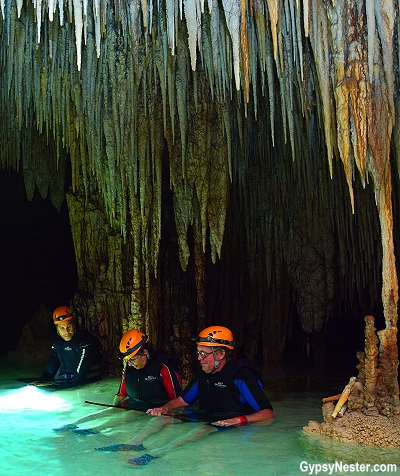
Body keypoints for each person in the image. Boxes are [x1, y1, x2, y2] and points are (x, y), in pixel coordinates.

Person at [124, 325, 274, 465]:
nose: (199, 358)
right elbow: (183, 400)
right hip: (205, 415)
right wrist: (164, 408)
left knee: (201, 430)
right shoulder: (204, 374)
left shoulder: (241, 376)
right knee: (164, 417)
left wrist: (239, 420)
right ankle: (133, 443)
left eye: (203, 353)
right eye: (198, 352)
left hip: (226, 421)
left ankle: (155, 455)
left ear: (221, 354)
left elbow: (268, 414)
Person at [53, 328, 183, 441]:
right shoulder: (130, 370)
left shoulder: (163, 368)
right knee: (112, 410)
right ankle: (75, 425)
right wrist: (116, 411)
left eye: (132, 359)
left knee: (149, 420)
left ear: (145, 352)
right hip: (138, 406)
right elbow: (121, 395)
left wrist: (164, 410)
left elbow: (178, 402)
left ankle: (132, 441)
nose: (130, 364)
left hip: (159, 411)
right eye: (128, 361)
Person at [31, 306, 103, 388]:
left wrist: (62, 386)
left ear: (73, 325)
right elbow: (50, 369)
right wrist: (41, 381)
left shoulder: (84, 342)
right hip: (68, 378)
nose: (66, 332)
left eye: (69, 326)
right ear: (57, 330)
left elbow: (79, 376)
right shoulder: (58, 343)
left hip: (88, 382)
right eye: (62, 328)